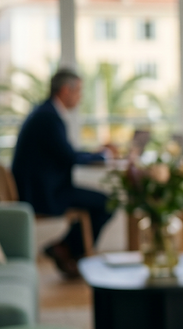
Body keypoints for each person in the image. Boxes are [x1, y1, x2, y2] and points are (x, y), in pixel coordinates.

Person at [12, 68, 115, 279]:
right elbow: (68, 156)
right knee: (108, 202)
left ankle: (65, 248)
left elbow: (64, 153)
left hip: (43, 188)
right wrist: (102, 156)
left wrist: (97, 154)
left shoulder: (45, 112)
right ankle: (68, 248)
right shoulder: (48, 117)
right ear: (65, 90)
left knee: (102, 202)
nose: (80, 97)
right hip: (44, 193)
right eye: (78, 91)